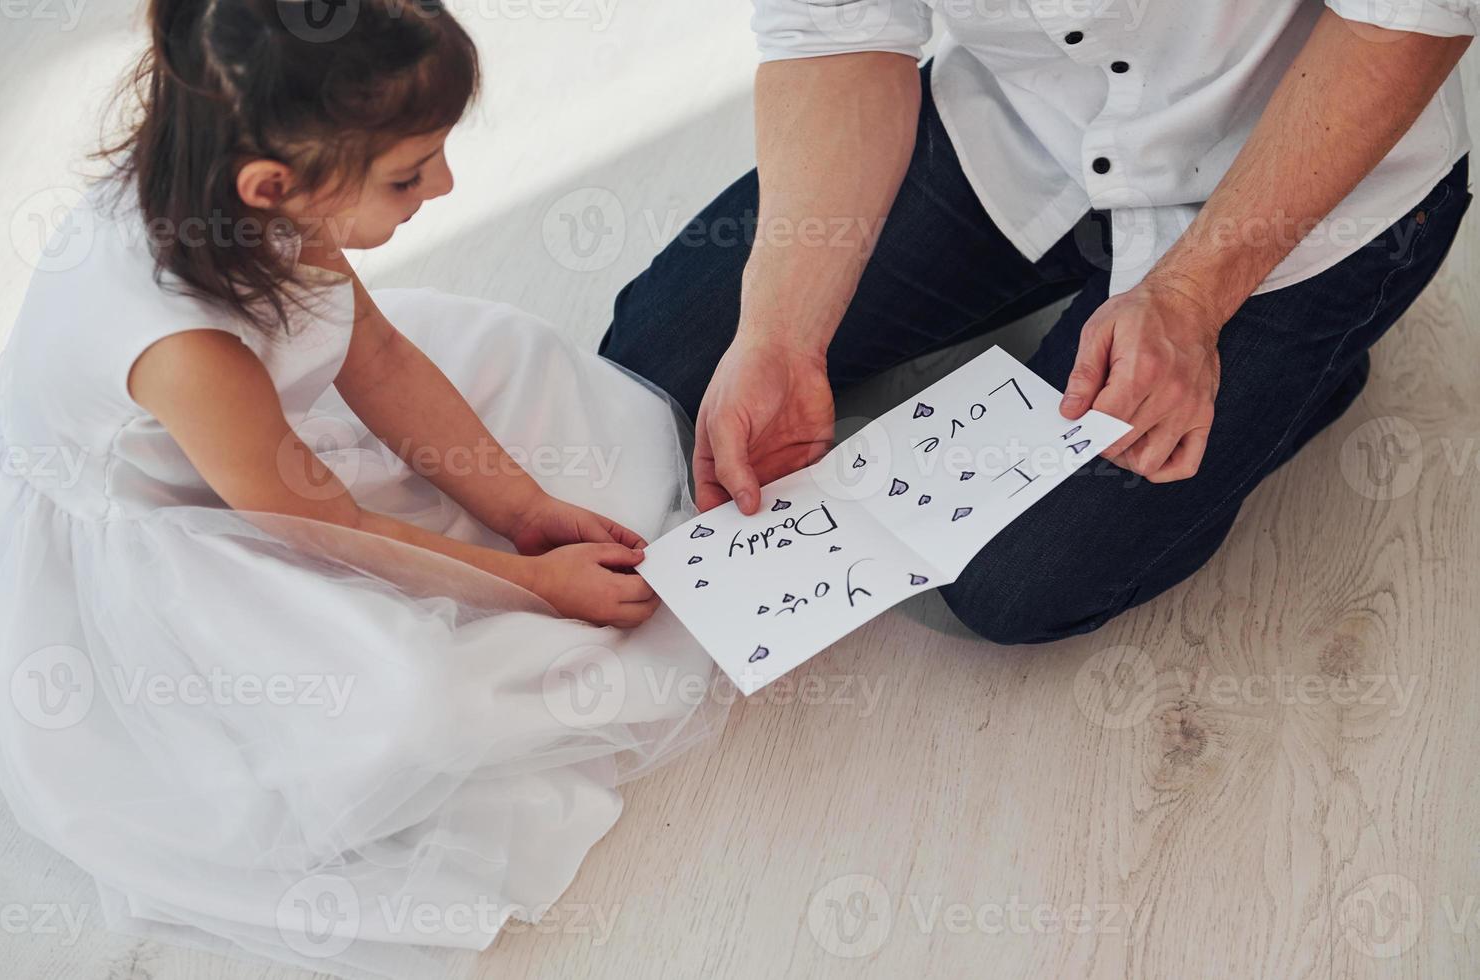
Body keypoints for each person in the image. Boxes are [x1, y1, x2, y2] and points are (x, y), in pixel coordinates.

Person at [0, 1, 722, 974]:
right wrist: (536, 584)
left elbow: (372, 354)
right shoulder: (186, 345)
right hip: (176, 521)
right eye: (408, 173)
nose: (446, 183)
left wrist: (519, 509)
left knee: (531, 370)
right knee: (404, 705)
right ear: (273, 184)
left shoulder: (258, 197)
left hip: (263, 448)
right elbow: (322, 523)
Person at [601, 1, 1476, 644]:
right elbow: (838, 36)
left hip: (1298, 175)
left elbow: (1399, 22)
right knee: (659, 365)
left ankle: (1310, 361)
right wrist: (782, 332)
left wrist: (1191, 298)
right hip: (1027, 129)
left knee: (1013, 579)